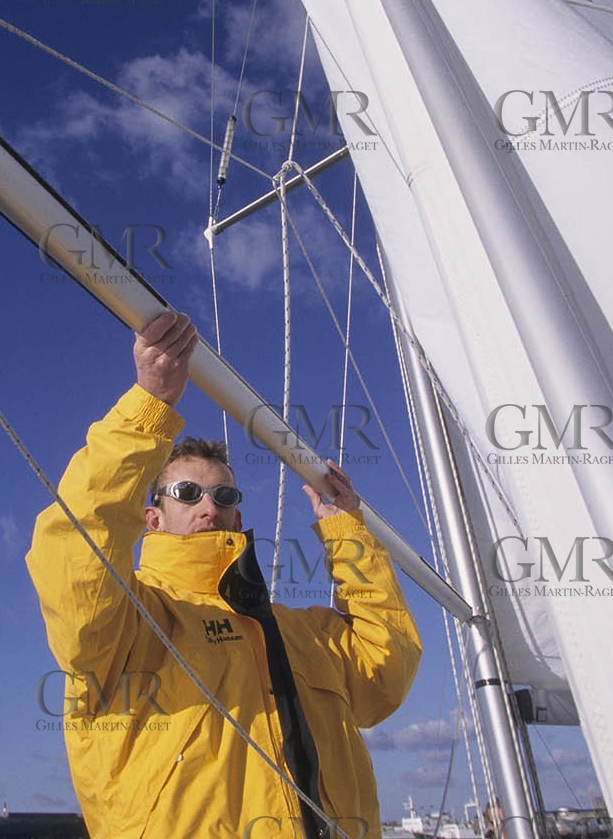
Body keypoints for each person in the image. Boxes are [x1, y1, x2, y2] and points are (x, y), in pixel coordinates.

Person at [27, 312, 421, 839]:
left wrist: (349, 536)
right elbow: (77, 546)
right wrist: (150, 408)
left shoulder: (300, 631)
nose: (208, 506)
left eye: (224, 495)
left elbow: (384, 677)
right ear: (154, 518)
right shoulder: (131, 622)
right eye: (187, 494)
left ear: (238, 514)